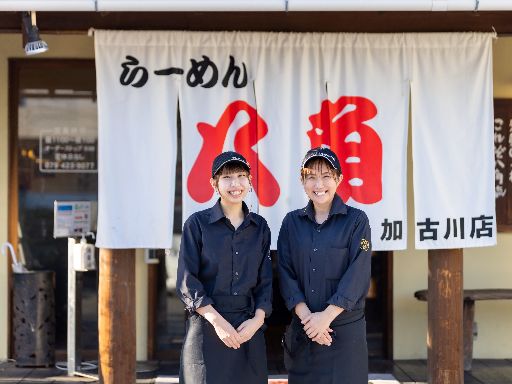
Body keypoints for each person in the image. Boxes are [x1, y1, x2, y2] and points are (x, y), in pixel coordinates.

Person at [176, 151, 272, 384]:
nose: (235, 184)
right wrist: (219, 323)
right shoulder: (197, 224)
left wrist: (258, 321)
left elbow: (265, 281)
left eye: (241, 176)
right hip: (206, 324)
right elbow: (187, 281)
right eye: (227, 177)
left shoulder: (259, 227)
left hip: (248, 325)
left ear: (250, 182)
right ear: (214, 183)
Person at [277, 147, 372, 384]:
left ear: (339, 179)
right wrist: (309, 320)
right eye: (311, 177)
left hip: (343, 332)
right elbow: (285, 272)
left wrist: (325, 319)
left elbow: (358, 274)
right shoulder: (291, 223)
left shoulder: (357, 221)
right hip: (305, 330)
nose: (319, 184)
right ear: (303, 181)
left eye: (326, 176)